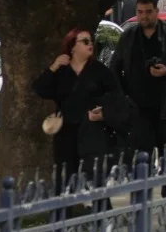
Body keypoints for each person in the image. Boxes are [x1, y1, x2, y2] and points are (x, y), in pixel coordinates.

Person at [33, 27, 135, 183]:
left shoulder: (99, 70)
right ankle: (67, 207)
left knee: (94, 178)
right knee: (66, 179)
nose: (90, 44)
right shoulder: (62, 71)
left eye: (91, 41)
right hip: (65, 133)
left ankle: (100, 205)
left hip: (91, 131)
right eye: (85, 41)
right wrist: (53, 68)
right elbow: (40, 89)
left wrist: (104, 113)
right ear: (72, 46)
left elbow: (118, 97)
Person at [110, 0, 166, 161]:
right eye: (140, 12)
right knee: (141, 156)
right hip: (138, 108)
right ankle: (143, 186)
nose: (144, 16)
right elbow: (114, 67)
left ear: (156, 11)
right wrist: (122, 97)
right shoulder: (128, 37)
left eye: (148, 12)